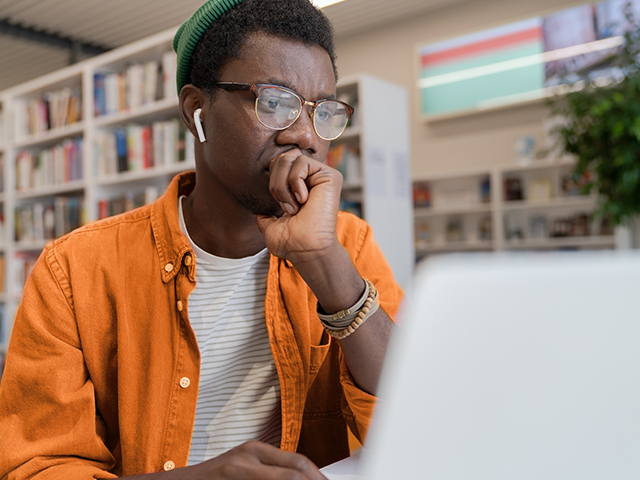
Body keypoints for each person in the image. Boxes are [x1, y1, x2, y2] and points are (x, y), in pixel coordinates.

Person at [0, 0, 404, 478]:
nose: (305, 137)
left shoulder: (347, 245)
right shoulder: (73, 271)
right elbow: (38, 467)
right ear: (197, 111)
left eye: (323, 113)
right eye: (274, 103)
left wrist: (324, 263)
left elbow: (414, 413)